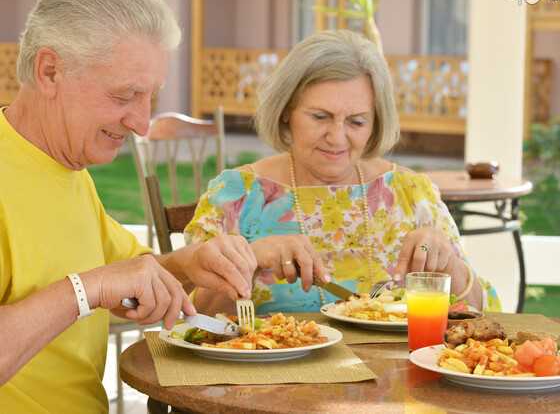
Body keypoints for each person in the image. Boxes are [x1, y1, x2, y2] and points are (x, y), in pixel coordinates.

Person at [0, 0, 257, 413]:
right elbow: (98, 284)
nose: (141, 123)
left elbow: (124, 277)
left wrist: (190, 263)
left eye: (150, 98)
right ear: (50, 71)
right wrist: (89, 289)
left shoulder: (65, 164)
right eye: (123, 96)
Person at [185, 30, 501, 315]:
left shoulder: (411, 194)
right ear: (285, 113)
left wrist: (447, 263)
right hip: (268, 377)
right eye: (320, 117)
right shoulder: (235, 196)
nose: (337, 137)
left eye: (356, 121)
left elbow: (483, 311)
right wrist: (250, 261)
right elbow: (190, 317)